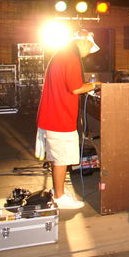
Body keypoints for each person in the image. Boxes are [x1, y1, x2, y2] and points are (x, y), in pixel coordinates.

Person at [35, 29, 102, 209]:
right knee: (61, 159)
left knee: (57, 158)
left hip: (52, 116)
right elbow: (76, 88)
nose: (88, 52)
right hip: (59, 118)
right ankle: (60, 197)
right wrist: (95, 85)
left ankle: (59, 191)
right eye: (89, 47)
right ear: (83, 41)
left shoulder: (61, 54)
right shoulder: (71, 58)